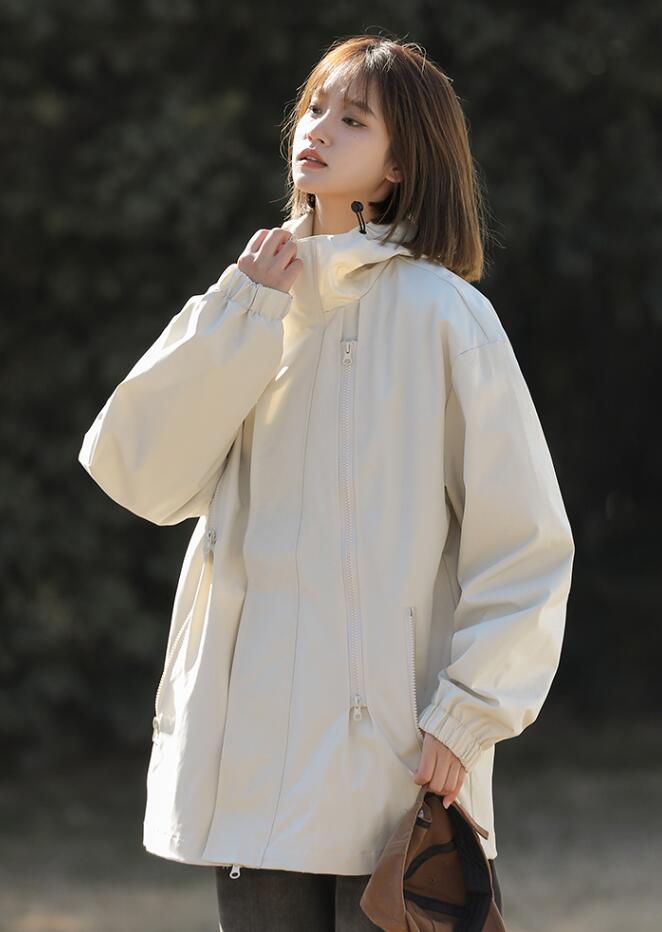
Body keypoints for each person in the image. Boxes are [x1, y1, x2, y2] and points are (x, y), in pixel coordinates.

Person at [78, 34, 574, 931]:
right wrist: (240, 311)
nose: (317, 130)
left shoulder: (446, 315)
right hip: (248, 754)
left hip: (397, 759)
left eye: (353, 120)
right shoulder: (249, 299)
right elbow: (137, 472)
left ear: (398, 166)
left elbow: (525, 542)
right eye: (313, 108)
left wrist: (466, 716)